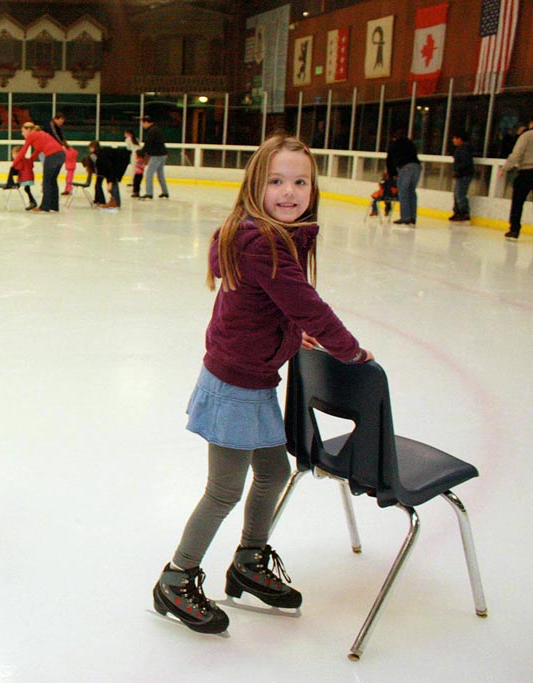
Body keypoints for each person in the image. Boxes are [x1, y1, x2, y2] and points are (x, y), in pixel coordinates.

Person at [152, 134, 372, 636]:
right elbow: (304, 305)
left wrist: (301, 339)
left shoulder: (269, 236)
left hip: (253, 381)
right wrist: (349, 351)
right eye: (276, 181)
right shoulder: (261, 241)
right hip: (234, 387)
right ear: (256, 184)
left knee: (272, 474)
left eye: (300, 181)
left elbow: (273, 310)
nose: (289, 192)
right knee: (224, 490)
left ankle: (248, 561)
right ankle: (176, 577)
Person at [15, 122, 65, 213]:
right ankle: (54, 206)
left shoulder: (32, 135)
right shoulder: (40, 135)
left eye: (23, 131)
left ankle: (44, 207)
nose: (22, 134)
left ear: (29, 130)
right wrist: (29, 161)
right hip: (61, 155)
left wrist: (14, 164)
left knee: (46, 181)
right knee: (52, 180)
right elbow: (36, 152)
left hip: (52, 155)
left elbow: (23, 150)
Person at [500, 116, 533, 240]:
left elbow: (517, 154)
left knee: (518, 202)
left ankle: (514, 230)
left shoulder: (526, 136)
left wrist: (505, 168)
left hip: (526, 172)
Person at [386, 129, 421, 226]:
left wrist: (392, 174)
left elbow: (389, 160)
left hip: (406, 168)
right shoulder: (410, 143)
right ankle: (412, 217)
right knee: (411, 192)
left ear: (394, 138)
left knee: (403, 192)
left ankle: (405, 217)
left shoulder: (395, 145)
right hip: (417, 167)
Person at [88, 141, 127, 210]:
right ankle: (115, 201)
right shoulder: (100, 154)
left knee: (113, 182)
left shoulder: (100, 156)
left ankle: (115, 202)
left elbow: (110, 169)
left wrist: (110, 182)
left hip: (119, 163)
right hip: (117, 164)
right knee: (112, 182)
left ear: (93, 147)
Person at [140, 116, 170, 199]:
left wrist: (142, 153)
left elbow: (149, 144)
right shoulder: (156, 129)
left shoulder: (151, 131)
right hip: (163, 154)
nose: (142, 125)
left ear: (146, 122)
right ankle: (165, 192)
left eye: (143, 123)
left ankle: (149, 193)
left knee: (149, 174)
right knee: (160, 174)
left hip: (157, 155)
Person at [449, 132, 474, 222]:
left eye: (454, 138)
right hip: (462, 174)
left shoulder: (464, 148)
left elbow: (465, 162)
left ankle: (464, 212)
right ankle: (457, 212)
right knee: (457, 193)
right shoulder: (461, 148)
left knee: (460, 193)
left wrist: (458, 170)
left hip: (464, 174)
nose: (453, 140)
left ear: (459, 139)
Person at [7, 146, 38, 210]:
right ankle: (32, 202)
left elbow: (19, 168)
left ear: (18, 153)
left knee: (27, 189)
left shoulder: (19, 160)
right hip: (30, 177)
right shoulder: (26, 160)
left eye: (13, 154)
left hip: (25, 177)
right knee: (27, 189)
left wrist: (13, 168)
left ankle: (32, 202)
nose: (13, 156)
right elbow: (31, 165)